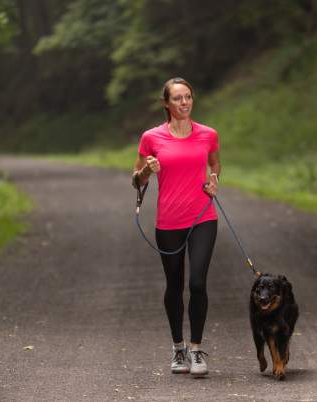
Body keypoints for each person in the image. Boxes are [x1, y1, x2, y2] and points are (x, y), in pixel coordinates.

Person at [132, 77, 220, 377]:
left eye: (188, 97)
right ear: (166, 104)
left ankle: (196, 350)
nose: (184, 103)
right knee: (174, 285)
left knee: (197, 283)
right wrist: (147, 169)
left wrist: (213, 179)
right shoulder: (151, 137)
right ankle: (178, 348)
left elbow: (215, 164)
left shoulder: (208, 134)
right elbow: (137, 179)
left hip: (203, 218)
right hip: (168, 222)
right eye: (178, 98)